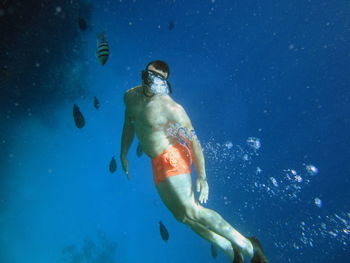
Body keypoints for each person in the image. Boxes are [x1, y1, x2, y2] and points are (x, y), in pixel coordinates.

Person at [120, 60, 268, 263]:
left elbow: (194, 143)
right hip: (156, 161)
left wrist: (203, 177)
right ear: (143, 73)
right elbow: (128, 125)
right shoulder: (130, 97)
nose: (152, 81)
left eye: (159, 78)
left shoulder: (172, 109)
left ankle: (249, 246)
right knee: (182, 217)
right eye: (149, 75)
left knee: (192, 209)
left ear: (164, 83)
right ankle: (229, 249)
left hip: (173, 156)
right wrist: (123, 154)